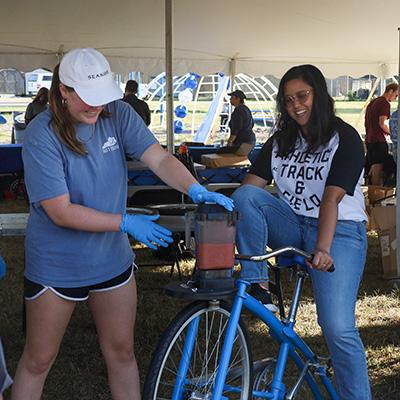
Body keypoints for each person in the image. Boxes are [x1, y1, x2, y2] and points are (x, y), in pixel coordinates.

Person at [11, 48, 233, 400]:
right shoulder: (42, 134)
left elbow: (157, 157)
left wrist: (194, 188)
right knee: (38, 360)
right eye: (88, 99)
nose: (96, 108)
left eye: (101, 99)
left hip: (111, 260)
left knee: (122, 354)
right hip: (56, 263)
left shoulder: (118, 113)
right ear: (64, 91)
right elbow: (60, 211)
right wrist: (124, 222)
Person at [232, 64, 371, 399]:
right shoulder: (281, 141)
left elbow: (331, 199)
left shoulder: (345, 137)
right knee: (244, 195)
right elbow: (250, 191)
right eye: (289, 99)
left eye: (303, 95)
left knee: (337, 327)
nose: (296, 105)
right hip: (293, 226)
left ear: (319, 95)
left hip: (339, 232)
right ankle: (256, 281)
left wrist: (322, 249)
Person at [364, 83, 398, 185]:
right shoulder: (385, 103)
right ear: (391, 91)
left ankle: (370, 191)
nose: (395, 98)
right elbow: (382, 123)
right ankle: (376, 193)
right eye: (396, 95)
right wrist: (392, 133)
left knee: (371, 168)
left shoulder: (372, 102)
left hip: (369, 139)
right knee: (377, 168)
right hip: (379, 140)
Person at [217, 90, 256, 156]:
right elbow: (252, 124)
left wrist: (230, 141)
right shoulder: (246, 109)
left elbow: (236, 128)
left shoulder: (238, 111)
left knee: (221, 153)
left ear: (238, 99)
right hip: (250, 140)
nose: (230, 99)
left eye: (232, 97)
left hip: (242, 142)